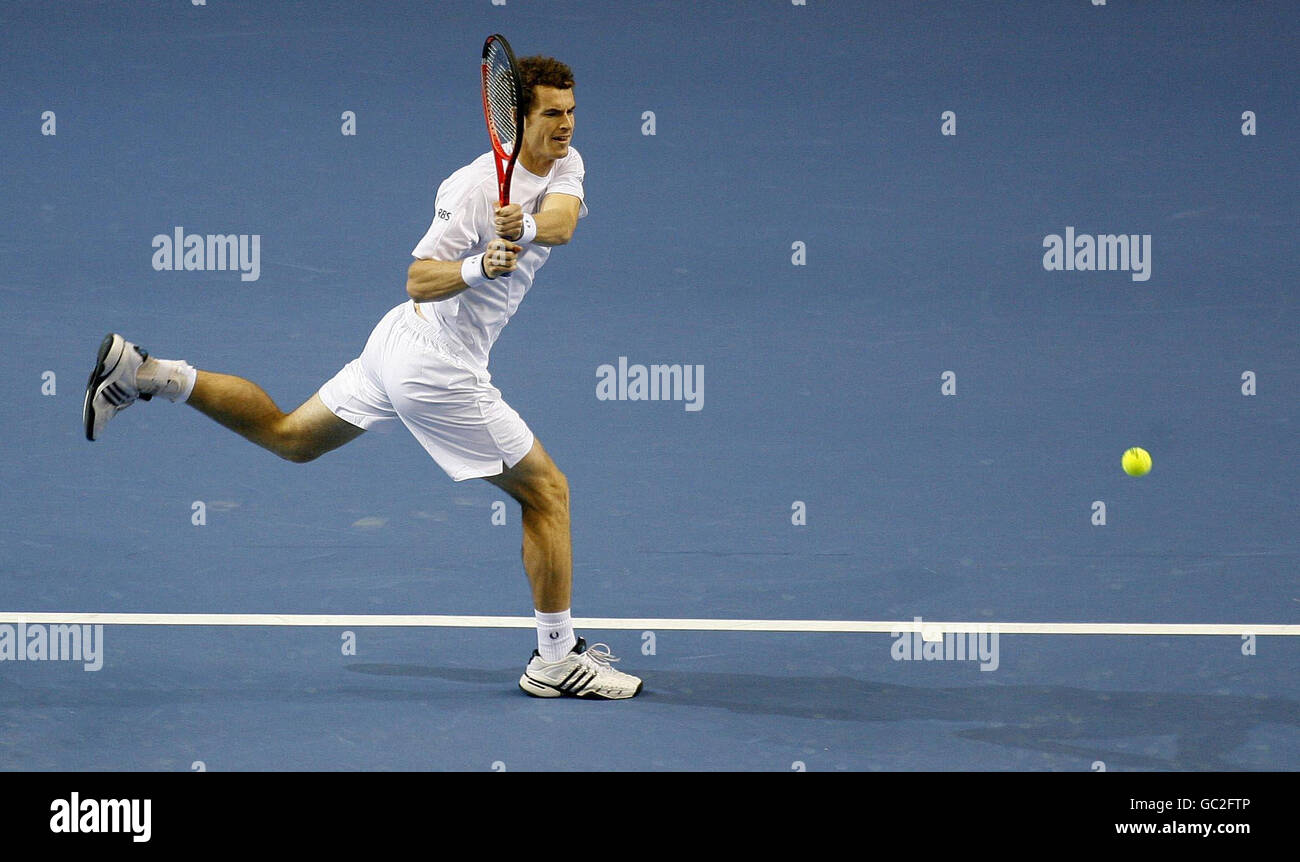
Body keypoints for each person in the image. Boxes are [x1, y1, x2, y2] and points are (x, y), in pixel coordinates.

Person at [82, 54, 642, 700]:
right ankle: (554, 657)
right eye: (552, 114)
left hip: (396, 350)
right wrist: (477, 266)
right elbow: (416, 279)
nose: (567, 125)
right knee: (548, 494)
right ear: (516, 120)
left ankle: (148, 373)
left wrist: (529, 225)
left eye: (572, 112)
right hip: (434, 364)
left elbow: (564, 223)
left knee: (290, 436)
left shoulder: (566, 162)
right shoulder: (470, 189)